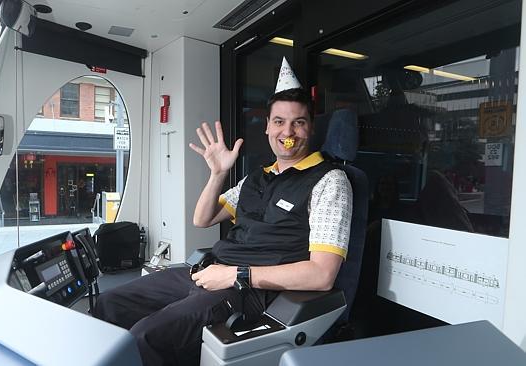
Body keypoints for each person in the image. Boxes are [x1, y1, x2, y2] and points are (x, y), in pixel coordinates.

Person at [93, 57, 353, 366]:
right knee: (109, 305)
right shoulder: (256, 178)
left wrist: (234, 274)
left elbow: (322, 275)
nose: (289, 131)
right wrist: (217, 174)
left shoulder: (330, 181)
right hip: (209, 272)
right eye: (280, 121)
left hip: (250, 290)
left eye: (299, 122)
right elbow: (202, 219)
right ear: (268, 126)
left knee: (146, 336)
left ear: (310, 128)